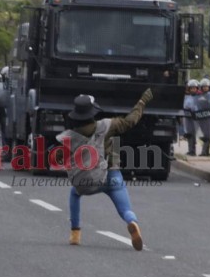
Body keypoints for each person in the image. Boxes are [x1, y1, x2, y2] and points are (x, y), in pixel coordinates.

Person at [56, 89, 154, 251]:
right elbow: (130, 121)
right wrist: (142, 102)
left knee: (74, 194)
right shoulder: (107, 125)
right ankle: (132, 221)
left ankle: (75, 234)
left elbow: (60, 158)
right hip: (111, 175)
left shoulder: (69, 136)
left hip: (86, 182)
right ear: (93, 112)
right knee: (124, 207)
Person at [193, 78, 210, 156]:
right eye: (204, 86)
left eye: (206, 86)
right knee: (204, 134)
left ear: (209, 87)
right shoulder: (198, 96)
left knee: (207, 134)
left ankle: (205, 151)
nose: (205, 88)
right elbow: (196, 105)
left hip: (208, 117)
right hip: (200, 116)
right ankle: (205, 152)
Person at [183, 79, 199, 156]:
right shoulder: (187, 97)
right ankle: (190, 150)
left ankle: (193, 150)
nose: (193, 90)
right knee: (189, 134)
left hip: (195, 117)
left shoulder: (199, 97)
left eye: (194, 88)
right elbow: (185, 105)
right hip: (187, 116)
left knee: (193, 134)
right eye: (191, 88)